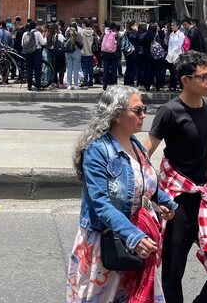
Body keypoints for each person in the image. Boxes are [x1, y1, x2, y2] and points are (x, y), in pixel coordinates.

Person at [67, 86, 178, 302]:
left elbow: (144, 185)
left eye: (144, 109)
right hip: (108, 244)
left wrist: (164, 202)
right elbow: (101, 203)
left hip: (136, 243)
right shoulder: (97, 150)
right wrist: (133, 236)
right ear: (116, 114)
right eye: (137, 110)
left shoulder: (136, 145)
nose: (143, 115)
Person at [144, 51, 207, 303]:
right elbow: (144, 155)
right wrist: (153, 198)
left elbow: (206, 156)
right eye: (204, 77)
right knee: (173, 274)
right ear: (186, 80)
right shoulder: (169, 112)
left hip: (205, 198)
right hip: (177, 202)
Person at [22, 20, 44, 91]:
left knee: (29, 69)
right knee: (37, 69)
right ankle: (38, 85)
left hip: (28, 53)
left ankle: (29, 85)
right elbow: (43, 43)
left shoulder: (25, 33)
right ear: (35, 26)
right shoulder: (38, 33)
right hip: (37, 52)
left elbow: (22, 44)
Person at [64, 21, 83, 90]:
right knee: (76, 69)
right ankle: (75, 85)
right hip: (76, 52)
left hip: (68, 53)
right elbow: (81, 45)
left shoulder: (67, 34)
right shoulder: (78, 34)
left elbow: (65, 43)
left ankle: (69, 85)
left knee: (69, 69)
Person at [80, 20, 96, 88]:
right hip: (91, 52)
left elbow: (80, 41)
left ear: (84, 24)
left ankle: (85, 81)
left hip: (84, 52)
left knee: (84, 68)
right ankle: (91, 81)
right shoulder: (93, 32)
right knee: (90, 68)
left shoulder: (83, 32)